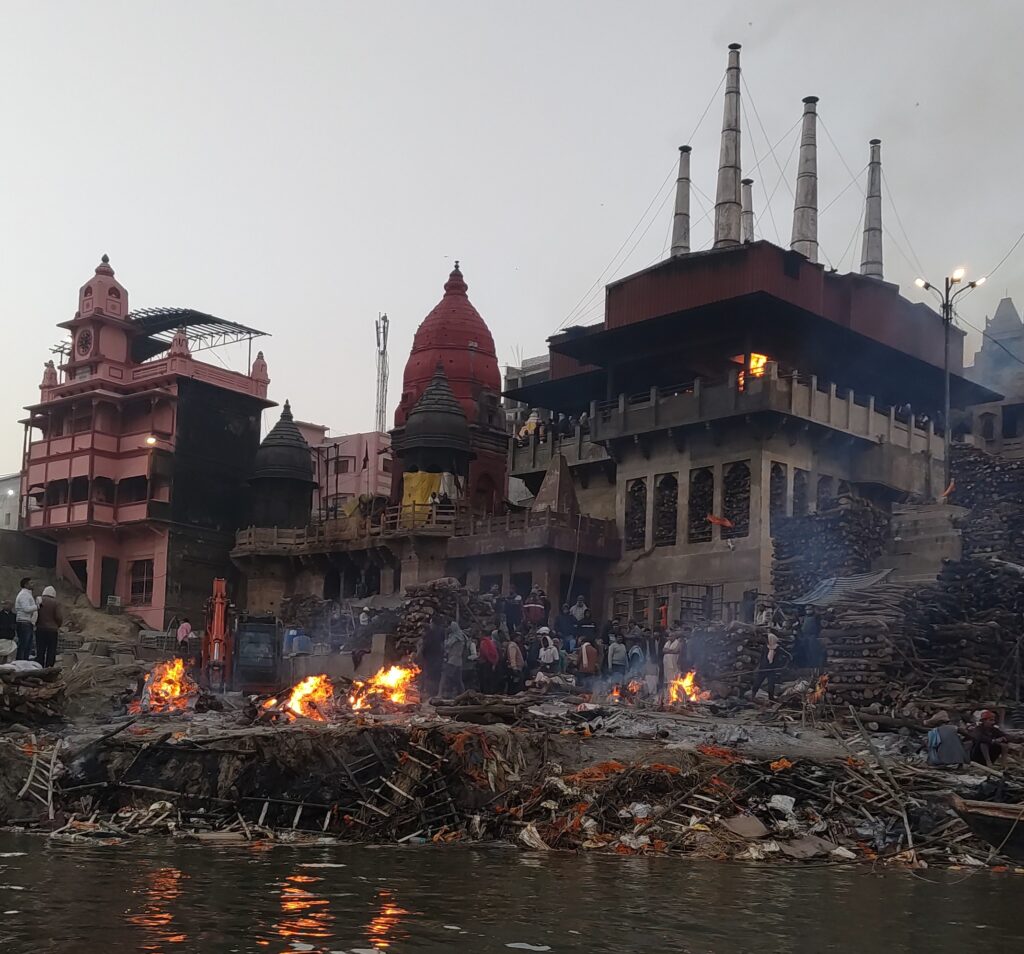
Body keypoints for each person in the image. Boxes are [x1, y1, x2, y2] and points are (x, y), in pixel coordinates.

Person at [750, 633, 789, 702]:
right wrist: (760, 666)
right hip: (763, 668)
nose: (766, 641)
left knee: (771, 684)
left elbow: (788, 656)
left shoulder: (777, 648)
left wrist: (785, 665)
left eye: (768, 639)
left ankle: (771, 698)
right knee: (758, 682)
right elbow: (762, 657)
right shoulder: (765, 647)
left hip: (772, 669)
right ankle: (752, 697)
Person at [419, 615, 445, 699]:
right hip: (438, 657)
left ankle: (429, 693)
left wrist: (420, 653)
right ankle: (433, 693)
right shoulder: (441, 632)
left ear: (433, 623)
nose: (430, 625)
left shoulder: (431, 633)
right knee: (435, 675)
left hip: (430, 658)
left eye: (431, 623)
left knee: (429, 675)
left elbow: (425, 645)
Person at [440, 620, 468, 697]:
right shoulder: (462, 636)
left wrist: (445, 637)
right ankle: (463, 694)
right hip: (459, 660)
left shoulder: (455, 637)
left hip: (452, 660)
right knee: (458, 680)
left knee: (446, 677)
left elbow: (447, 645)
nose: (448, 628)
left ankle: (444, 693)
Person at [14, 577, 37, 662]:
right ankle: (20, 663)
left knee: (28, 645)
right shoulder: (24, 595)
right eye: (31, 583)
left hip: (27, 622)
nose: (33, 584)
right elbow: (26, 609)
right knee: (24, 644)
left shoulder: (27, 594)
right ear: (25, 585)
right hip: (23, 622)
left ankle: (24, 663)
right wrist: (37, 606)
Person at [477, 629, 500, 693]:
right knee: (490, 680)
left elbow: (485, 653)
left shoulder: (483, 642)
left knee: (485, 680)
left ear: (483, 634)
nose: (478, 635)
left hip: (485, 663)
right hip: (490, 663)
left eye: (479, 634)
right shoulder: (490, 641)